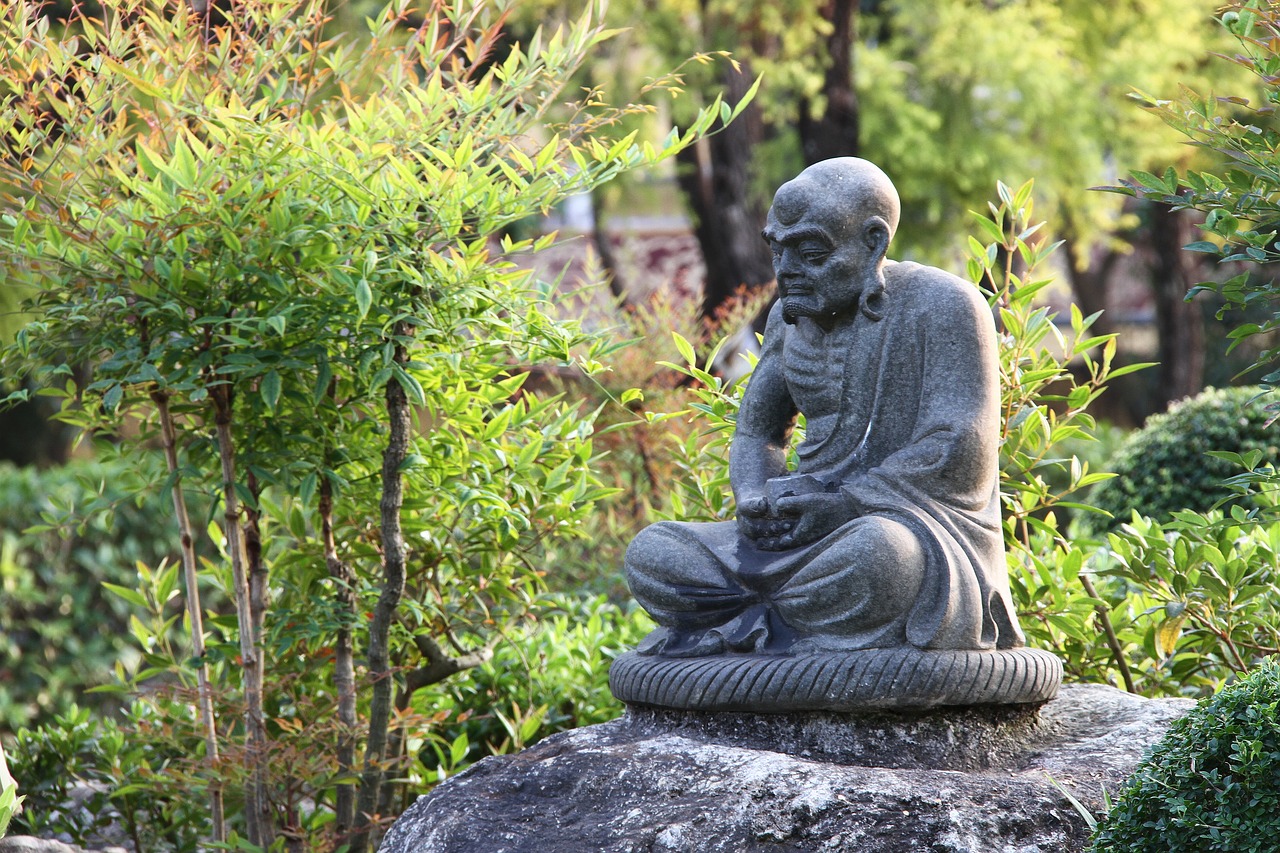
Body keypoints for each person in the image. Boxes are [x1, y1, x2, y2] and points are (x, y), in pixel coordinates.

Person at [625, 157, 1025, 657]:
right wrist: (753, 496)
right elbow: (758, 432)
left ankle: (763, 624)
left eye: (811, 253)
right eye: (779, 251)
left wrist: (847, 504)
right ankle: (783, 624)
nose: (788, 271)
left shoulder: (944, 306)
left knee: (881, 559)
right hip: (803, 535)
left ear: (873, 242)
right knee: (655, 552)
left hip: (903, 526)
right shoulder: (789, 319)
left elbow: (962, 446)